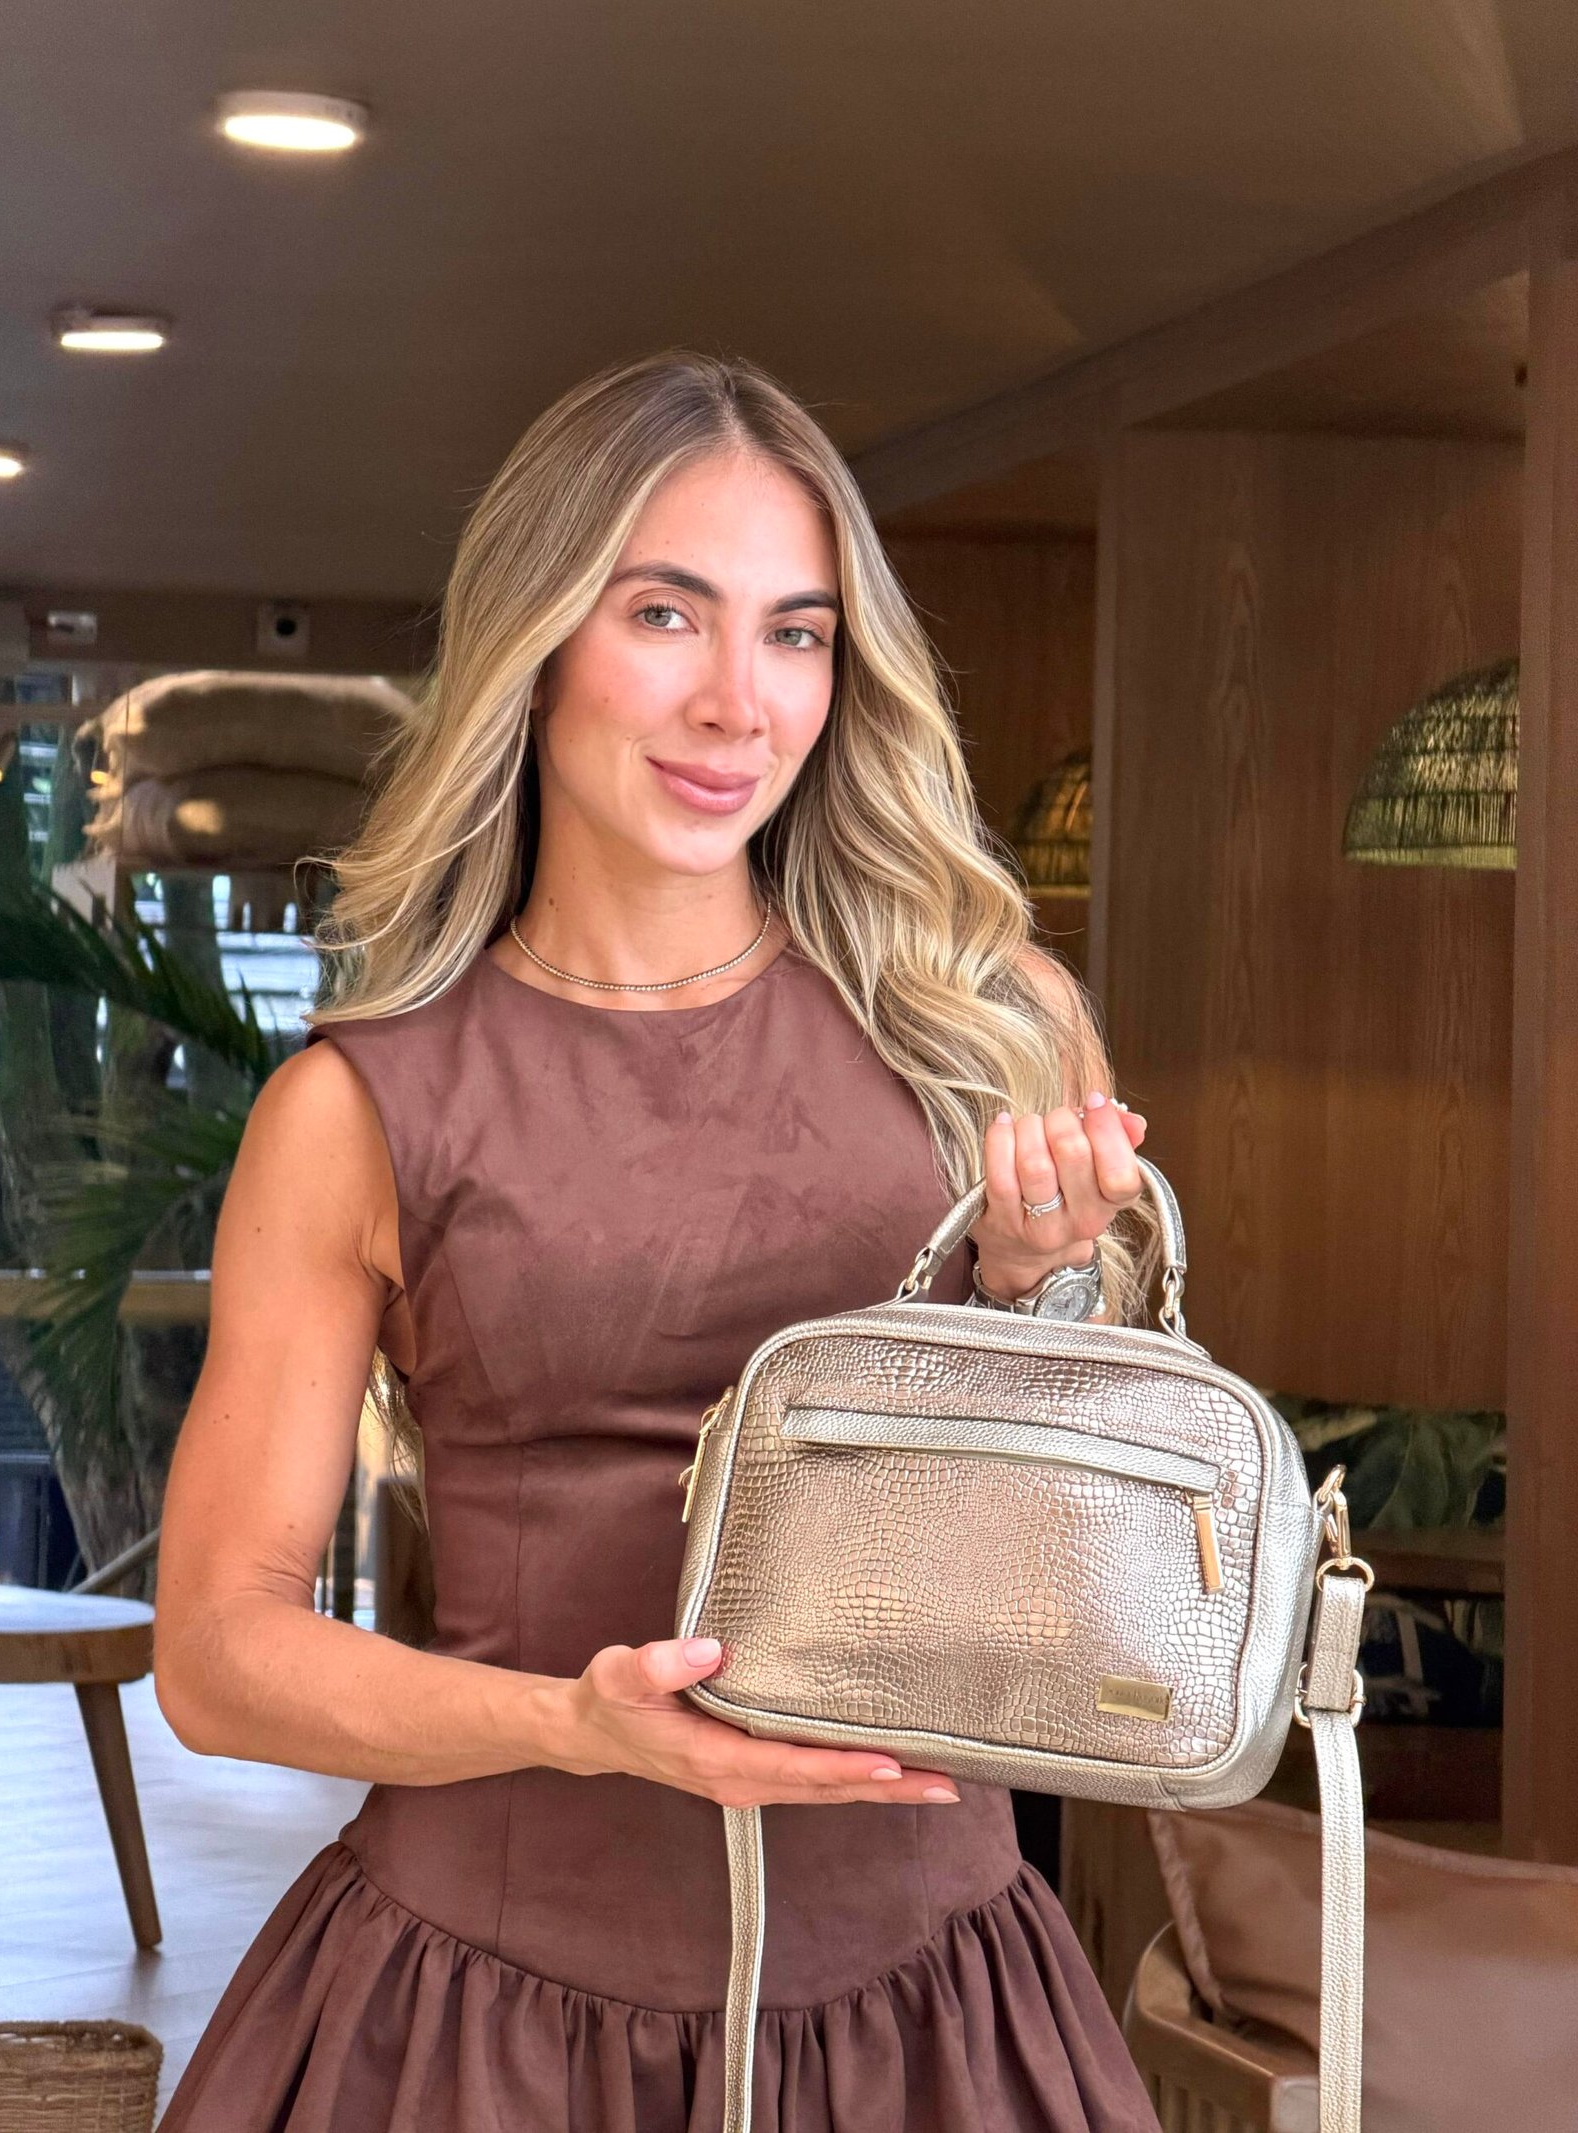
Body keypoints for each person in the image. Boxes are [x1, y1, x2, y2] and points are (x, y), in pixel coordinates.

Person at [154, 349, 1165, 2132]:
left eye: (796, 633)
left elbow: (1104, 1586)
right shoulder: (357, 1108)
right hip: (478, 2025)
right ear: (538, 642)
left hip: (932, 2019)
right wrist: (574, 1722)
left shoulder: (984, 1025)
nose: (737, 703)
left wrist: (1037, 1289)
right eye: (666, 615)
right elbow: (216, 1652)